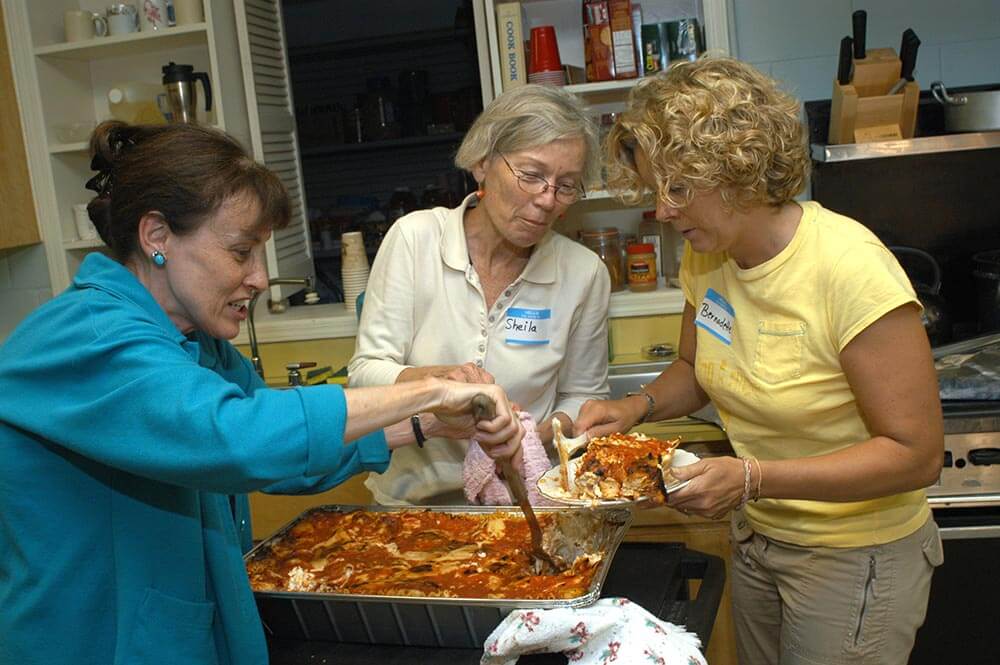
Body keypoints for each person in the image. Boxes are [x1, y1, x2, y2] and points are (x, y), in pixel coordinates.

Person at [0, 121, 523, 665]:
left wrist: (429, 425)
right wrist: (425, 392)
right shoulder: (91, 336)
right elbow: (239, 436)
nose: (258, 277)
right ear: (157, 237)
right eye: (240, 252)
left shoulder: (192, 340)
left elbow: (285, 458)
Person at [576, 57, 944, 665]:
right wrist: (632, 407)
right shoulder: (707, 256)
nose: (662, 211)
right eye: (654, 189)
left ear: (737, 170)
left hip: (855, 558)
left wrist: (753, 478)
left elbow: (916, 454)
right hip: (760, 539)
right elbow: (696, 369)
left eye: (679, 189)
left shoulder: (847, 267)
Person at [349, 84, 611, 505]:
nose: (547, 200)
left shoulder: (583, 274)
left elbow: (584, 396)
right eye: (531, 175)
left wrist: (524, 436)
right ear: (483, 162)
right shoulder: (416, 239)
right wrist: (438, 385)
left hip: (523, 502)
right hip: (411, 504)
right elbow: (366, 373)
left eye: (566, 186)